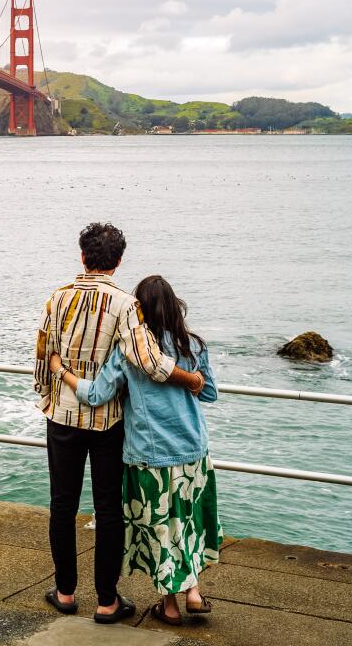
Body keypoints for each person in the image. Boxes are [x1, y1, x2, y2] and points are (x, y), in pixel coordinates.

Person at [34, 224, 204, 624]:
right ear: (119, 261)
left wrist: (51, 390)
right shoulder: (126, 305)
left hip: (62, 417)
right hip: (108, 421)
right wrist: (190, 378)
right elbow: (149, 362)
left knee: (62, 504)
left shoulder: (56, 299)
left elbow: (44, 356)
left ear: (82, 256)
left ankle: (65, 592)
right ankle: (107, 602)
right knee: (109, 509)